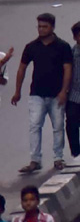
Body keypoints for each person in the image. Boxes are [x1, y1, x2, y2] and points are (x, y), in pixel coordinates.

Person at [12, 14, 73, 174]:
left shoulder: (62, 46)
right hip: (37, 94)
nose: (41, 29)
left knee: (58, 127)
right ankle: (35, 160)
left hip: (56, 95)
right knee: (34, 126)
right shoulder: (32, 47)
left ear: (52, 27)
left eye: (44, 26)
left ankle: (58, 158)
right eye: (39, 26)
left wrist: (64, 91)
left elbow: (68, 69)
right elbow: (22, 69)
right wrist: (17, 91)